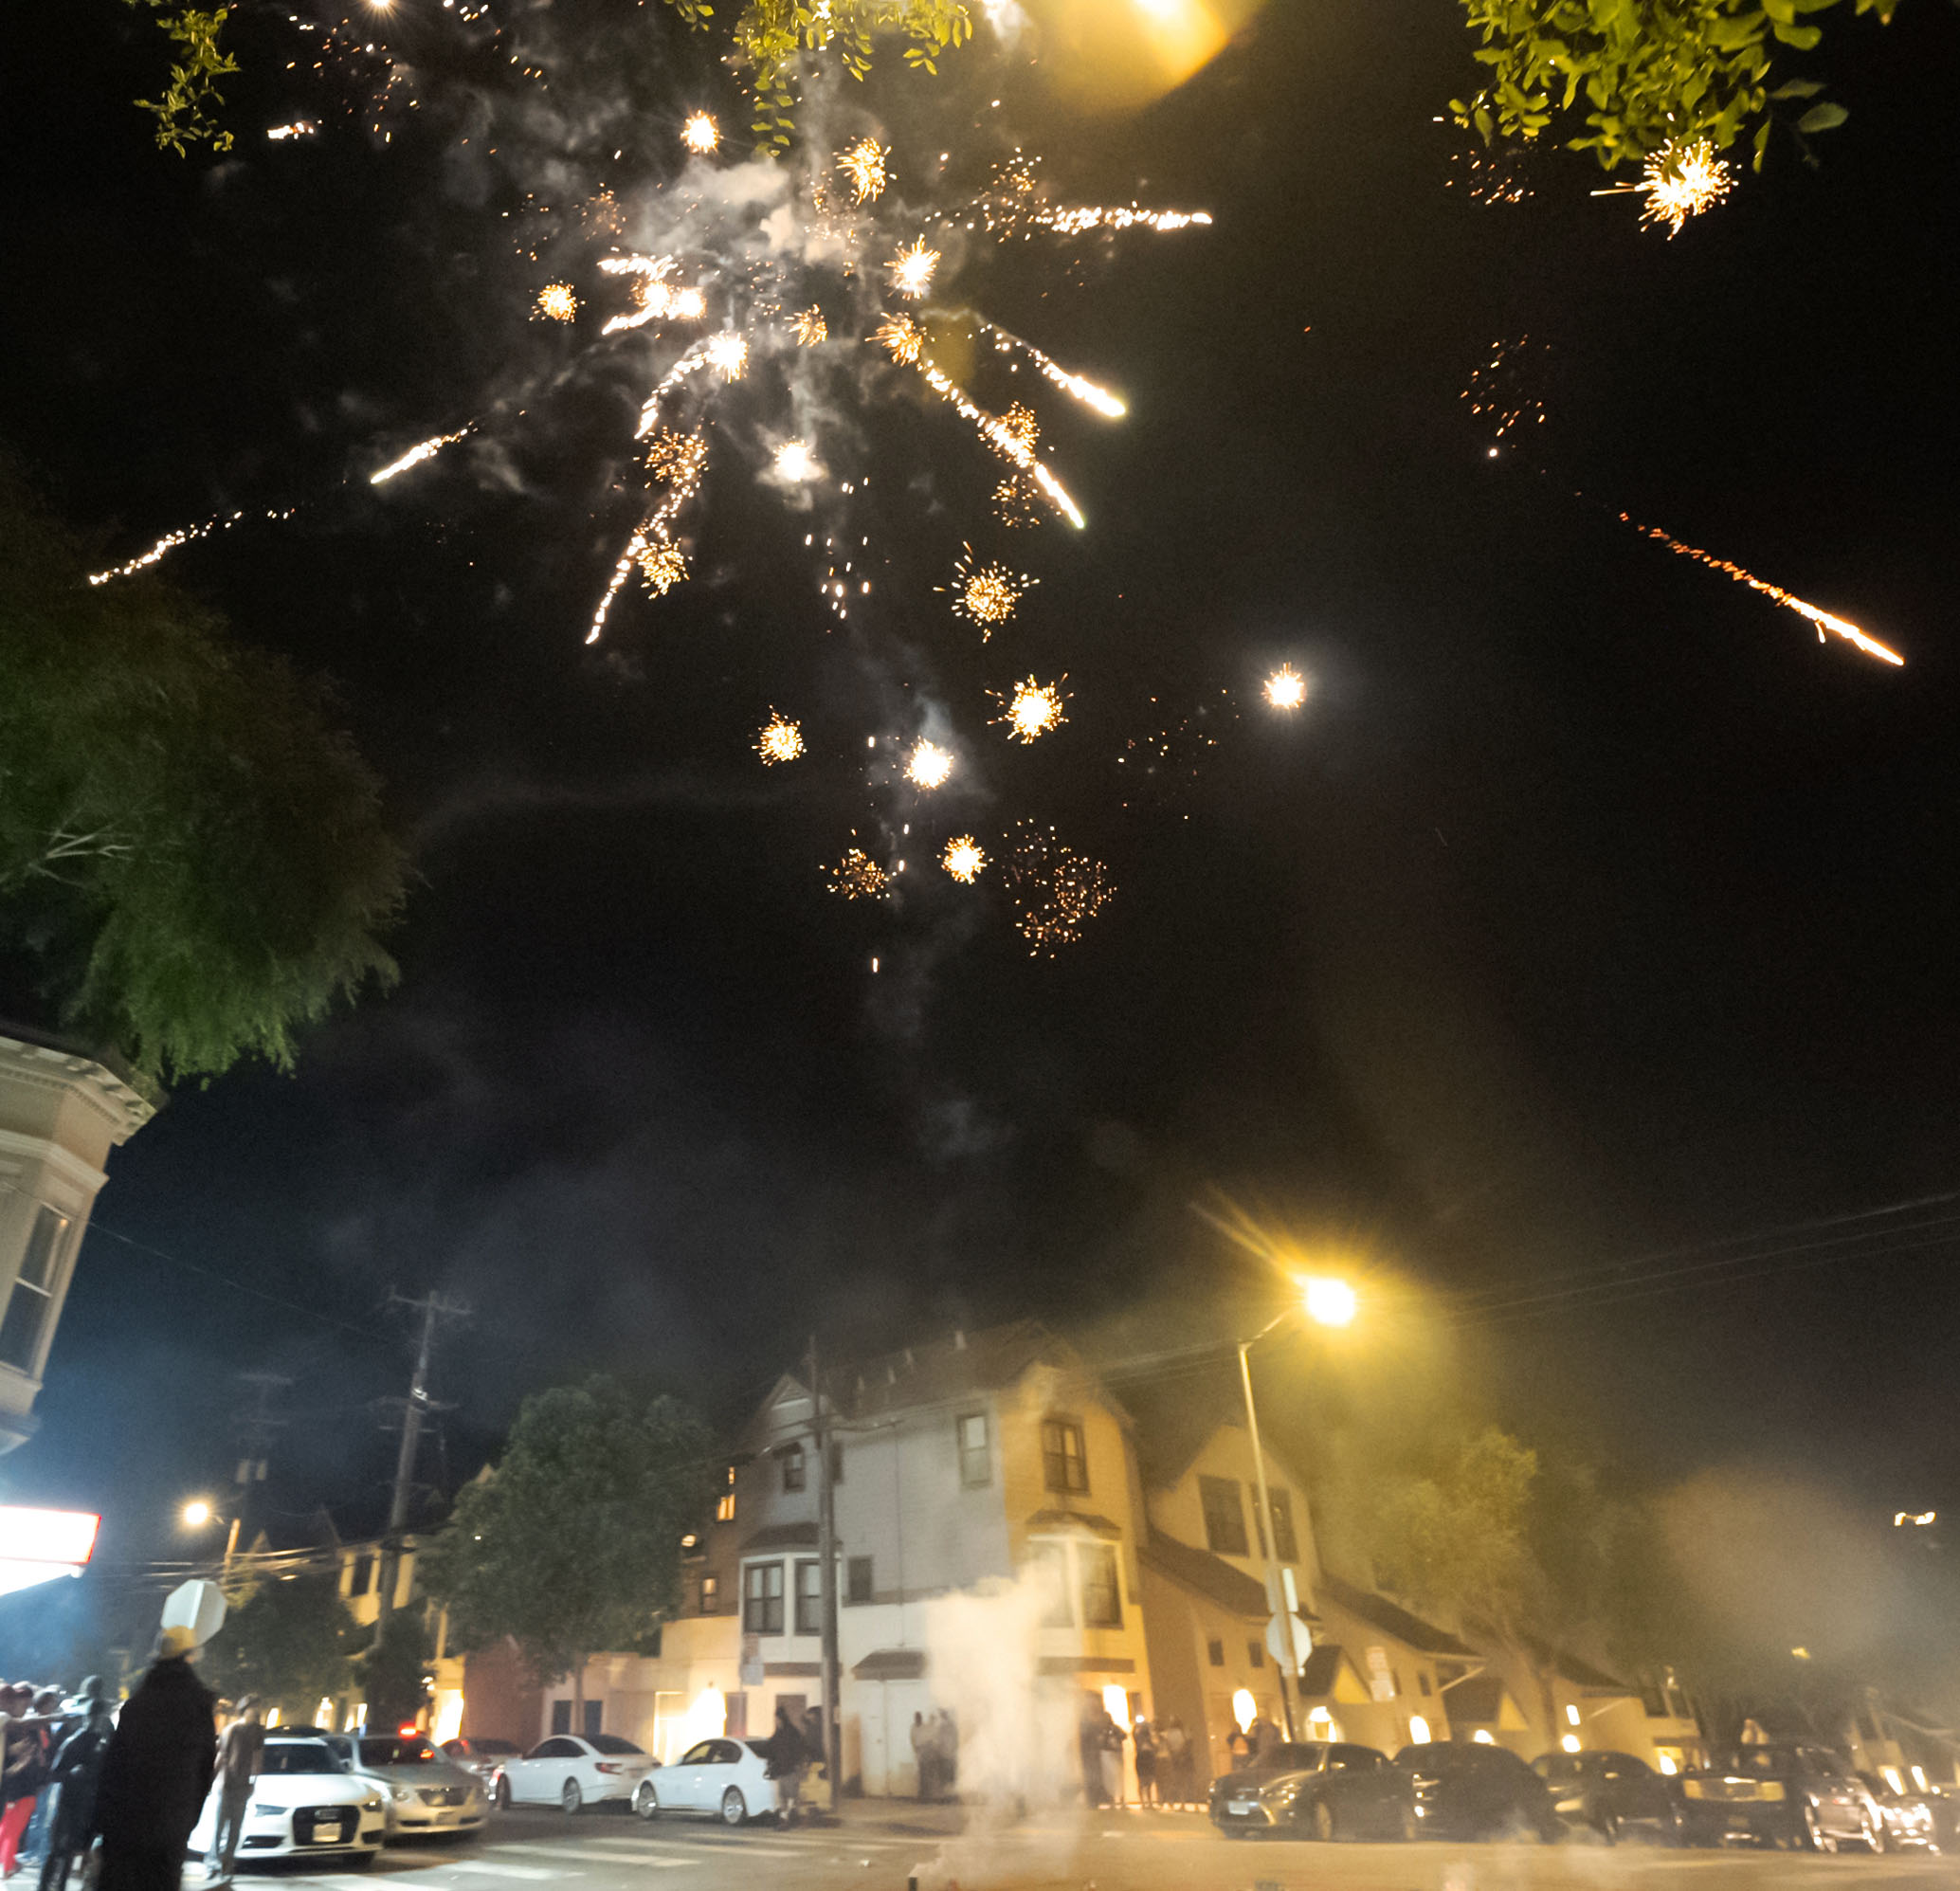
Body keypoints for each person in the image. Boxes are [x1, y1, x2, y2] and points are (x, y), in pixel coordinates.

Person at [93, 1628, 216, 1891]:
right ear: (190, 1656)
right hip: (170, 1830)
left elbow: (112, 1771)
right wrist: (185, 1822)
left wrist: (99, 1827)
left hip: (125, 1829)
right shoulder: (199, 1706)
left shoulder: (137, 1704)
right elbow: (205, 1773)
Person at [38, 1681, 114, 1891]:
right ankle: (47, 1886)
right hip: (68, 1806)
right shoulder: (74, 1742)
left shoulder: (105, 1745)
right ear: (88, 1717)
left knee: (74, 1853)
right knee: (58, 1852)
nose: (98, 1722)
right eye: (95, 1717)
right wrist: (71, 1774)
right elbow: (52, 1774)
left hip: (88, 1807)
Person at [204, 1699, 263, 1884]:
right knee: (219, 1826)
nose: (257, 1711)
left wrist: (253, 1781)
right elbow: (221, 1756)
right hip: (226, 1785)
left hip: (243, 1786)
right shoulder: (232, 1730)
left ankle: (227, 1865)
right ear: (244, 1709)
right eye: (254, 1707)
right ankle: (212, 1864)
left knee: (235, 1829)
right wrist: (212, 1780)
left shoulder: (258, 1731)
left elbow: (257, 1756)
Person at [2, 1686, 51, 1878]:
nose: (24, 1706)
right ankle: (7, 1867)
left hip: (20, 1786)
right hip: (18, 1787)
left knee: (9, 1826)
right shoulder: (12, 1726)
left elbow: (38, 1754)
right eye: (20, 1702)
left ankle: (9, 1862)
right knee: (12, 1828)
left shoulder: (24, 1728)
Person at [763, 1704, 805, 1825]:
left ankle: (789, 1817)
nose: (776, 1722)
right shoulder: (783, 1733)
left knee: (790, 1794)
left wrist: (797, 1763)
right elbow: (771, 1747)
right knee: (783, 1795)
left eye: (777, 1720)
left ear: (781, 1719)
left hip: (789, 1769)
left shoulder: (789, 1733)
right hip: (783, 1769)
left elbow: (797, 1749)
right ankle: (786, 1818)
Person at [1131, 1714, 1157, 1807]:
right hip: (1141, 1757)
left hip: (1149, 1757)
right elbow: (1133, 1735)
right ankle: (1143, 1801)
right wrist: (1136, 1726)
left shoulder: (1150, 1738)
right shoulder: (1138, 1738)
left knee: (1149, 1781)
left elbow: (1155, 1745)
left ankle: (1149, 1802)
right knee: (1142, 1780)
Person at [909, 1712, 933, 1802]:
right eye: (916, 1717)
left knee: (925, 1774)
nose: (918, 1719)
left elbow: (928, 1739)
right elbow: (911, 1739)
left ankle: (926, 1795)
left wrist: (925, 1750)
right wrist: (915, 1748)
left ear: (921, 1718)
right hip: (917, 1751)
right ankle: (920, 1795)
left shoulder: (925, 1727)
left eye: (919, 1717)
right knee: (918, 1775)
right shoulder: (913, 1727)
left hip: (925, 1752)